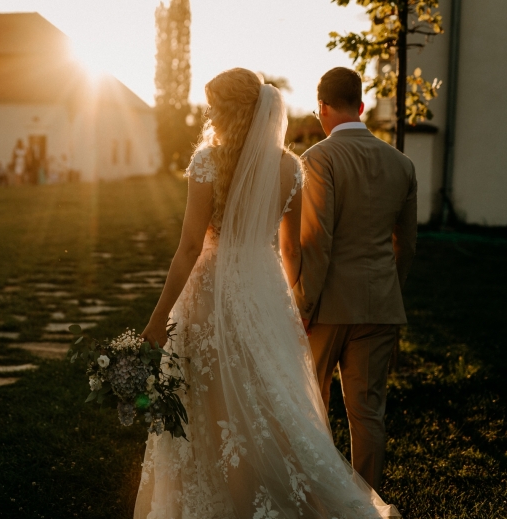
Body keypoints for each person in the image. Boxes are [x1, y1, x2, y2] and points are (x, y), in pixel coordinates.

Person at [136, 68, 400, 518]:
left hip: (210, 290)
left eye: (214, 107)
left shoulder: (207, 162)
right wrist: (287, 301)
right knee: (267, 397)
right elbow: (290, 249)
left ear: (231, 111)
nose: (209, 115)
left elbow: (189, 247)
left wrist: (158, 319)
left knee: (207, 399)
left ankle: (221, 495)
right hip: (263, 287)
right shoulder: (289, 167)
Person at [294, 67, 417, 490]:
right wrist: (388, 291)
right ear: (362, 106)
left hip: (327, 307)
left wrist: (303, 305)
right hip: (380, 304)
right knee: (368, 413)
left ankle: (319, 496)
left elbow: (317, 240)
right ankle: (367, 504)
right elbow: (407, 244)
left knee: (313, 405)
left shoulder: (318, 159)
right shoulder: (402, 164)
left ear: (322, 107)